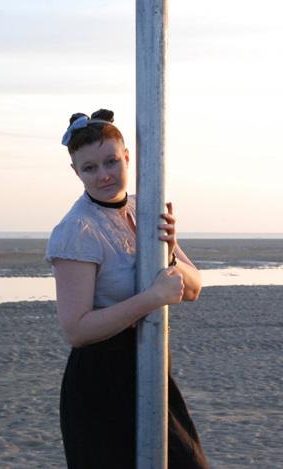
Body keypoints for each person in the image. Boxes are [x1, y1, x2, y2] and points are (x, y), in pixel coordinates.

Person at [45, 109, 209, 468]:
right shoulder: (77, 229)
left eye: (111, 161)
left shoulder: (143, 208)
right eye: (90, 168)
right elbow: (76, 330)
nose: (104, 174)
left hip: (152, 365)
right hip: (101, 380)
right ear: (76, 172)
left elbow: (193, 288)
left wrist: (170, 252)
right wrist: (152, 298)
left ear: (127, 157)